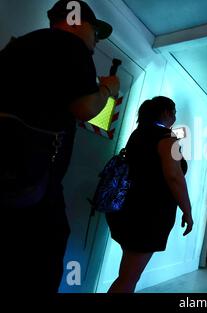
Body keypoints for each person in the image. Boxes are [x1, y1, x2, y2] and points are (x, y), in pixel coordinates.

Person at [0, 0, 120, 293]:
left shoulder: (20, 47)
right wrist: (108, 88)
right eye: (95, 32)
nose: (95, 40)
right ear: (78, 22)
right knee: (43, 256)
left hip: (10, 169)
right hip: (32, 178)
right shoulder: (71, 46)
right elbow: (86, 108)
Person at [106, 97, 194, 293]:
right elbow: (174, 176)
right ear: (165, 112)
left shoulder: (137, 135)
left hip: (125, 210)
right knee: (128, 279)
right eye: (174, 111)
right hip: (147, 216)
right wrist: (187, 211)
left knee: (127, 275)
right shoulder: (166, 139)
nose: (174, 116)